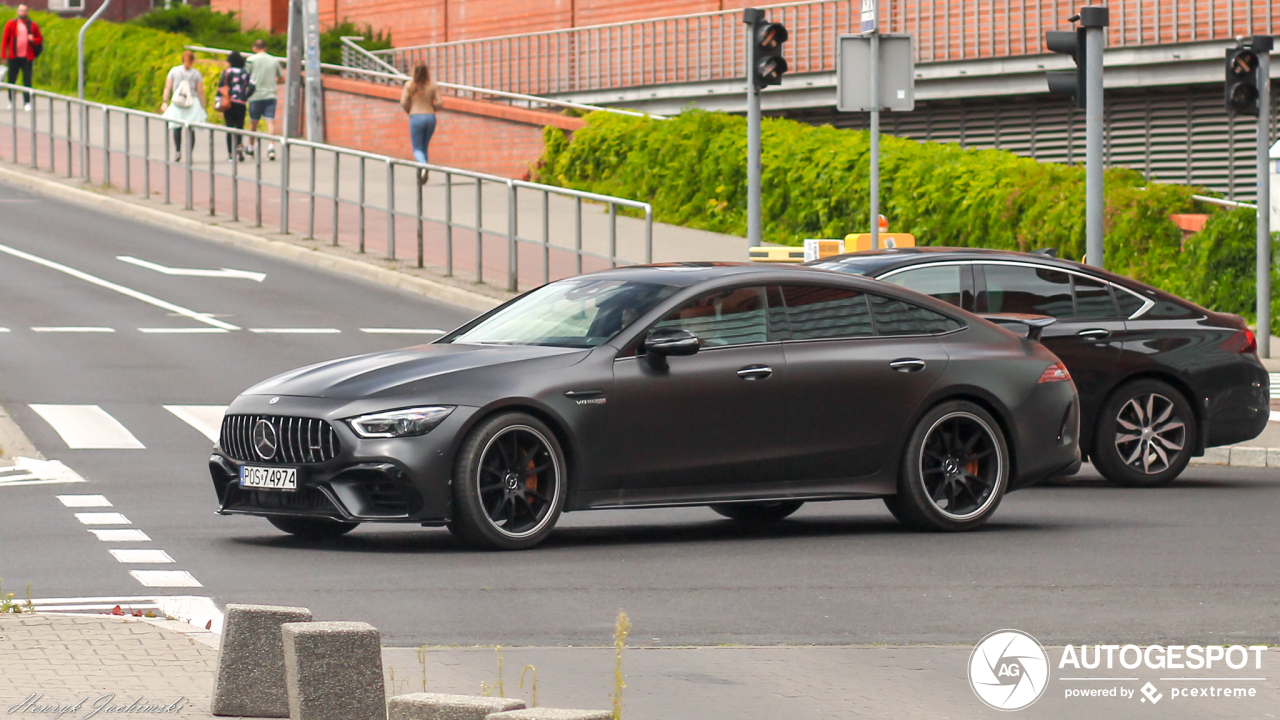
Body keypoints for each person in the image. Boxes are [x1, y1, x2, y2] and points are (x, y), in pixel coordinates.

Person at [160, 50, 207, 162]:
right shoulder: (196, 73)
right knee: (190, 129)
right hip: (192, 102)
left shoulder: (174, 71)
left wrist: (165, 101)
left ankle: (177, 151)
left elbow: (167, 87)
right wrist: (203, 105)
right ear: (193, 60)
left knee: (177, 127)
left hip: (178, 102)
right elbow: (200, 91)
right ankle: (189, 154)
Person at [400, 63, 442, 185]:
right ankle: (422, 176)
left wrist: (409, 110)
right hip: (430, 116)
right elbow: (440, 102)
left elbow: (403, 101)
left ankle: (424, 166)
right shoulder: (432, 85)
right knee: (424, 146)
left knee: (417, 148)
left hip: (416, 116)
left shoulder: (409, 85)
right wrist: (432, 108)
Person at [244, 39, 282, 161]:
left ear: (254, 49)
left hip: (255, 95)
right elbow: (281, 77)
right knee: (270, 121)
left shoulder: (250, 60)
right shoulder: (274, 60)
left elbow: (245, 76)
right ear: (265, 48)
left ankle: (251, 147)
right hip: (270, 95)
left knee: (253, 122)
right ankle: (271, 147)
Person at [1, 5, 42, 112]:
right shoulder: (11, 24)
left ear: (27, 12)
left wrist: (33, 39)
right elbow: (5, 40)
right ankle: (11, 101)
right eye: (21, 10)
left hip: (27, 57)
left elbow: (39, 39)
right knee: (11, 80)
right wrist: (3, 56)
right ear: (17, 12)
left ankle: (27, 102)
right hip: (13, 57)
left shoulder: (32, 25)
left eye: (25, 10)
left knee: (27, 80)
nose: (23, 12)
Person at [218, 51, 255, 162]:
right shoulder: (245, 72)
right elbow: (253, 86)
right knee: (239, 127)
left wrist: (218, 100)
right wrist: (245, 96)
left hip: (228, 103)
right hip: (241, 103)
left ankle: (230, 154)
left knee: (229, 127)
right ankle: (239, 148)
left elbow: (221, 87)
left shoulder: (226, 72)